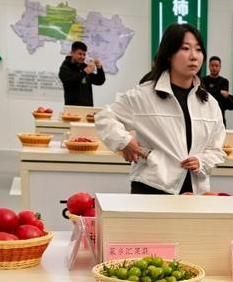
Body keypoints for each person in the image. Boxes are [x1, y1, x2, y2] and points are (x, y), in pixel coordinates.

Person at [94, 23, 225, 195]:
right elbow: (104, 117)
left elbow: (216, 147)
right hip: (151, 188)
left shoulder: (209, 103)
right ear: (169, 54)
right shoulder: (143, 95)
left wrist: (202, 161)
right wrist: (124, 141)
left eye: (199, 50)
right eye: (185, 48)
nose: (194, 56)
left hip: (194, 191)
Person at [59, 41, 105, 106]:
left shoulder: (84, 67)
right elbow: (69, 83)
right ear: (72, 53)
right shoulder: (65, 68)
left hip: (88, 108)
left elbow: (99, 81)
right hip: (72, 109)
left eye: (84, 54)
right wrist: (84, 72)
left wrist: (99, 68)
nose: (82, 57)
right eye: (80, 54)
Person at [201, 56, 233, 127]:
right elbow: (205, 94)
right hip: (205, 115)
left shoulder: (224, 81)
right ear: (209, 66)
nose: (214, 68)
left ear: (220, 67)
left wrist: (214, 92)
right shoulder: (203, 80)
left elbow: (222, 98)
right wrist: (219, 92)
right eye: (212, 65)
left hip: (219, 116)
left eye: (216, 66)